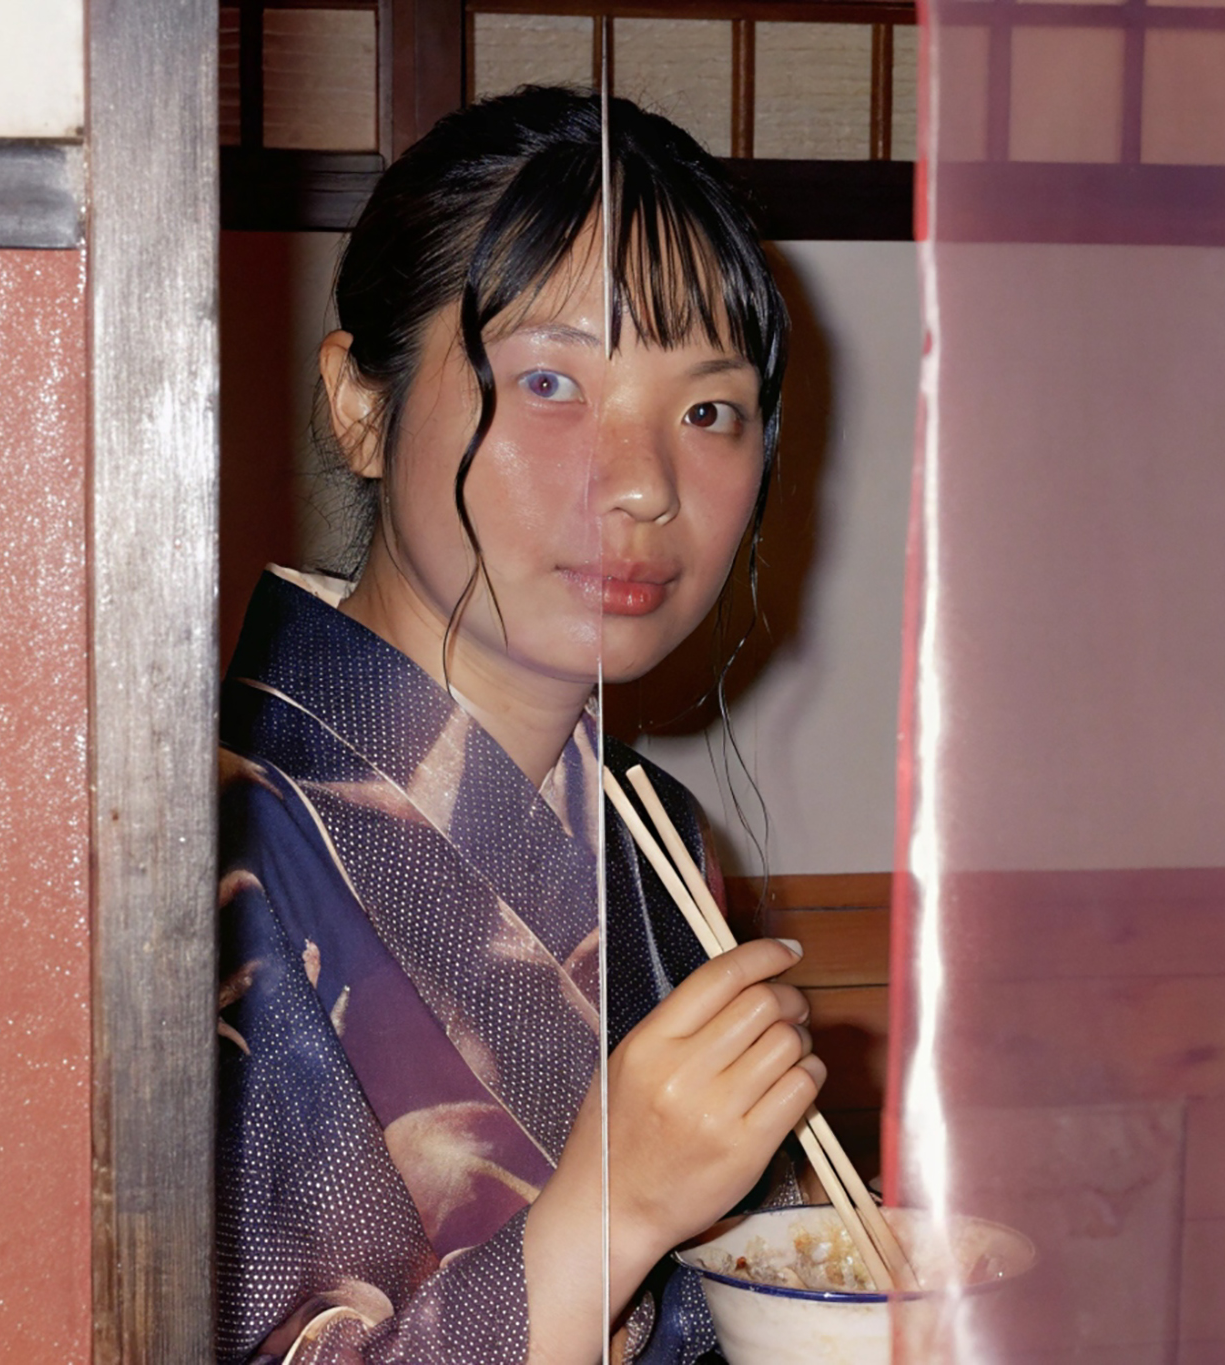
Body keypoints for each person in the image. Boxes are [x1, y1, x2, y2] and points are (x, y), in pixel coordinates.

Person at [215, 87, 823, 1365]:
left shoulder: (648, 831)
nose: (649, 481)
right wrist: (614, 1209)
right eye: (550, 381)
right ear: (360, 406)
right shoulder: (204, 851)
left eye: (707, 409)